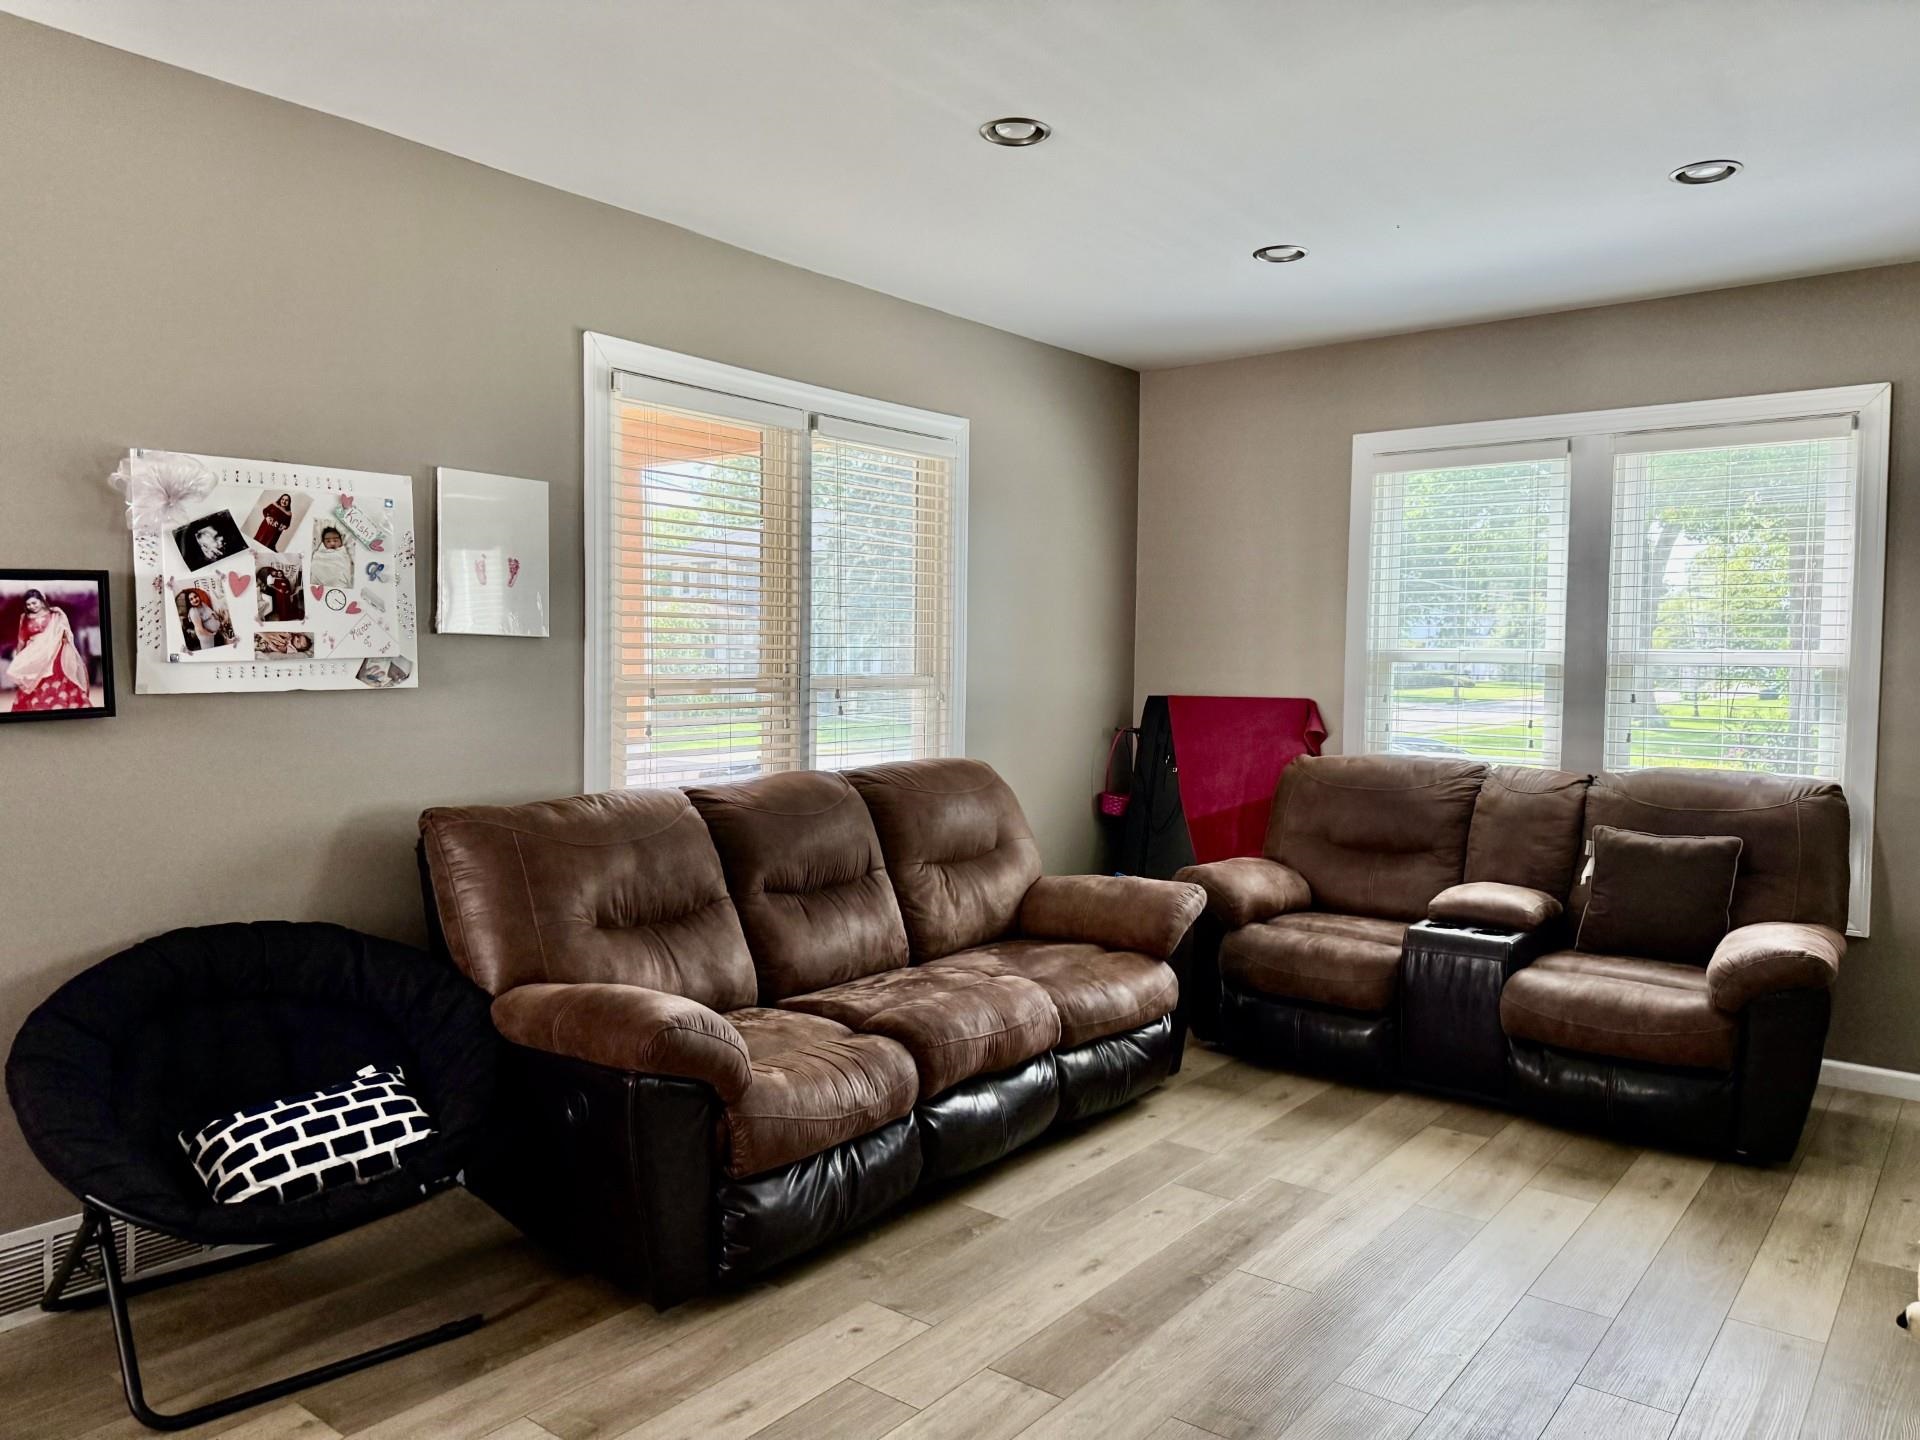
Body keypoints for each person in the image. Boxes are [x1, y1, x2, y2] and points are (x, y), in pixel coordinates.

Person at [7, 589, 91, 710]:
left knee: (59, 679)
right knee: (34, 681)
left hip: (55, 653)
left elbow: (65, 633)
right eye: (28, 604)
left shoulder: (55, 615)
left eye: (34, 603)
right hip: (34, 655)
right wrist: (19, 658)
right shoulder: (24, 617)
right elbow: (21, 639)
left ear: (42, 601)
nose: (31, 606)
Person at [178, 588, 231, 652]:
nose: (194, 600)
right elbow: (200, 630)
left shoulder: (202, 604)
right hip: (206, 637)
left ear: (198, 596)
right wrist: (212, 634)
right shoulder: (193, 611)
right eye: (191, 599)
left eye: (195, 597)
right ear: (189, 602)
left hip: (214, 633)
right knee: (209, 652)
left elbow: (212, 613)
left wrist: (220, 620)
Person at [311, 525, 353, 590]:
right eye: (328, 541)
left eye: (335, 540)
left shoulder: (342, 553)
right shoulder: (319, 554)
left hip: (340, 584)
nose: (332, 543)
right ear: (323, 543)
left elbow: (346, 566)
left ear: (341, 541)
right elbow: (316, 565)